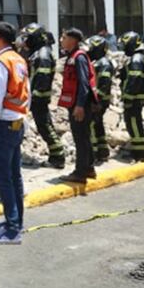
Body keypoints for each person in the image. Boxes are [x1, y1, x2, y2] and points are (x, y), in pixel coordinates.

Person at [0, 21, 30, 245]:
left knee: (3, 179)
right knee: (14, 175)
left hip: (3, 124)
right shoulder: (17, 60)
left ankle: (12, 229)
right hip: (17, 121)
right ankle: (15, 220)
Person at [21, 23, 65, 168]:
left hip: (39, 98)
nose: (25, 41)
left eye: (28, 38)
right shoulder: (39, 52)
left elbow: (42, 79)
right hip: (37, 97)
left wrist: (35, 96)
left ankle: (58, 157)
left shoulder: (43, 55)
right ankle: (56, 154)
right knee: (44, 125)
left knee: (45, 126)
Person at [57, 28, 97, 183]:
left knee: (80, 138)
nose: (61, 40)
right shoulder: (72, 56)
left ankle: (80, 173)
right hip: (76, 103)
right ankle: (89, 168)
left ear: (73, 40)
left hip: (79, 105)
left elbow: (84, 83)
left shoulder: (79, 57)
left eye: (64, 37)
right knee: (84, 137)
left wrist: (79, 106)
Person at [117, 31, 144, 162]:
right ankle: (139, 150)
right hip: (138, 96)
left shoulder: (137, 58)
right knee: (135, 122)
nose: (124, 48)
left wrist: (128, 97)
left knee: (133, 123)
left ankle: (139, 153)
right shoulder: (141, 56)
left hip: (134, 97)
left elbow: (134, 79)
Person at [86, 35, 114, 164]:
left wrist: (97, 100)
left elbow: (104, 83)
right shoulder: (98, 62)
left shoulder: (104, 63)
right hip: (99, 100)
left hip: (99, 100)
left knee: (91, 125)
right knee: (97, 125)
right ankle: (102, 152)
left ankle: (94, 152)